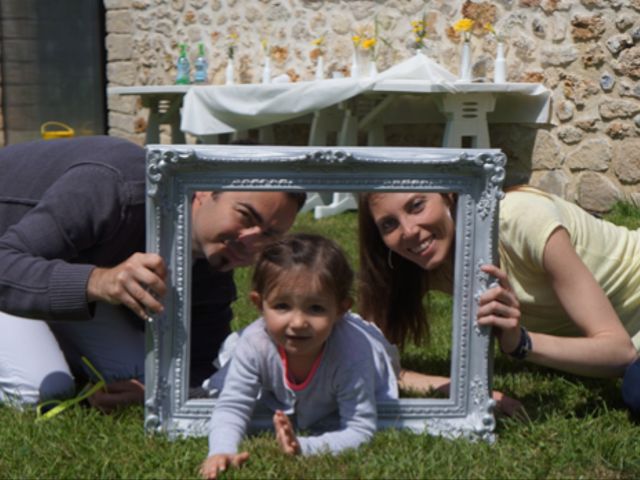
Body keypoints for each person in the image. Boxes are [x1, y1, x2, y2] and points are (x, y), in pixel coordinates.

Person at [0, 136, 305, 411]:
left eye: (269, 235)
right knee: (39, 390)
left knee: (139, 374)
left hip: (44, 268)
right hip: (9, 259)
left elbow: (201, 363)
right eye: (246, 216)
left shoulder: (213, 259)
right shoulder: (114, 186)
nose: (250, 242)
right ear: (203, 189)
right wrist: (98, 281)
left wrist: (155, 391)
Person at [357, 186, 640, 414]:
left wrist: (520, 343)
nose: (408, 231)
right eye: (389, 224)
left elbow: (619, 353)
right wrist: (456, 388)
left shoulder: (520, 219)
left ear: (449, 195)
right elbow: (364, 362)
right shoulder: (413, 264)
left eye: (417, 205)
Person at [200, 233, 399, 479]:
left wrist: (304, 446)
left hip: (366, 361)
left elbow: (360, 427)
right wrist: (222, 450)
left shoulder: (352, 354)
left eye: (316, 308)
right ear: (259, 304)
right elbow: (232, 405)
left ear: (340, 310)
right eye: (282, 306)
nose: (298, 323)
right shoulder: (254, 344)